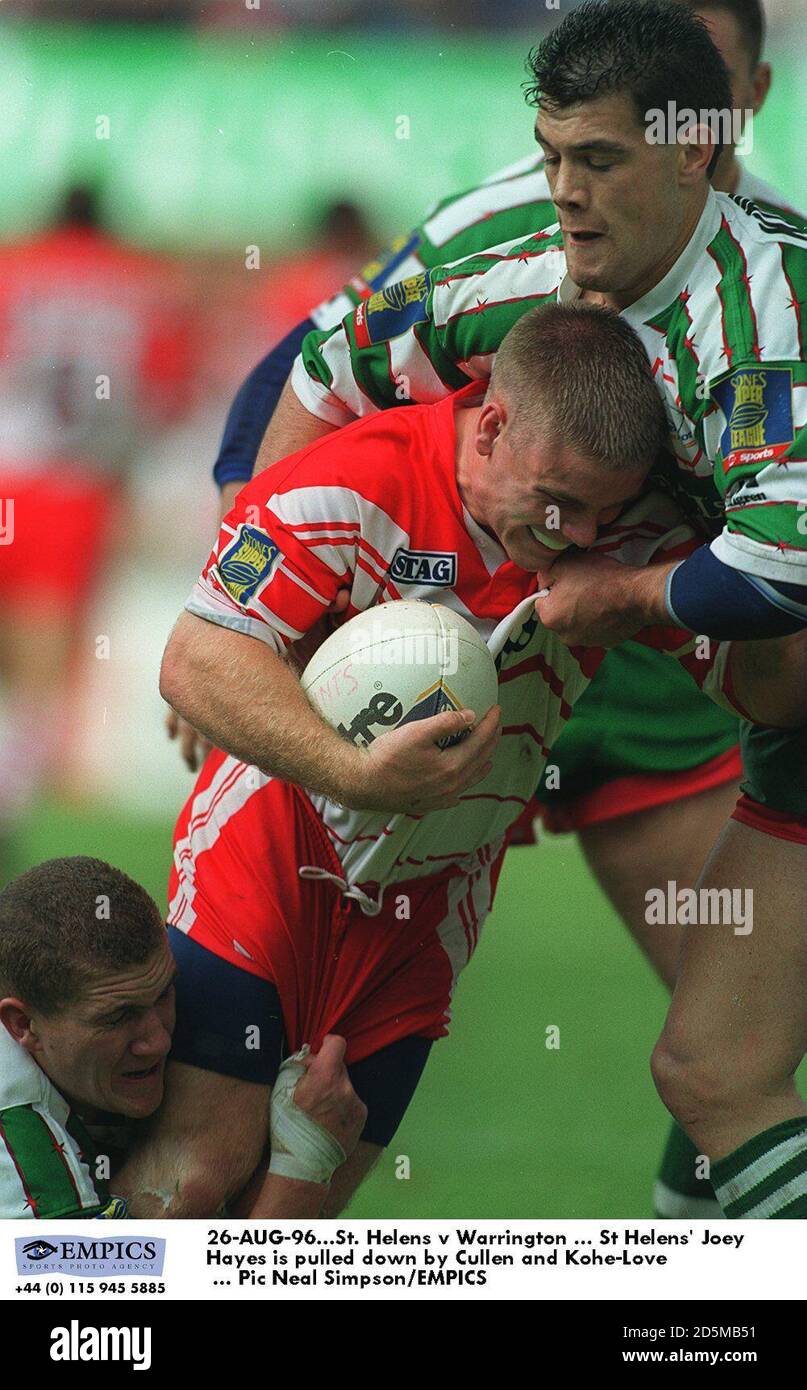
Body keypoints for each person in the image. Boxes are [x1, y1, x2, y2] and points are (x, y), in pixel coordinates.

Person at [175, 0, 800, 1219]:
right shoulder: (504, 245)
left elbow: (781, 581)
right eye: (554, 152)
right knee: (722, 1069)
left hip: (679, 654)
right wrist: (261, 622)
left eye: (599, 159)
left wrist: (621, 596)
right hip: (530, 629)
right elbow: (307, 368)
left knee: (723, 1058)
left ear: (712, 132)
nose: (562, 188)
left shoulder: (767, 309)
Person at [0, 857, 365, 1219]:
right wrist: (303, 1167)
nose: (158, 1041)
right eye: (118, 1017)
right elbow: (149, 1279)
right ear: (23, 1025)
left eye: (163, 995)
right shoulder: (25, 1160)